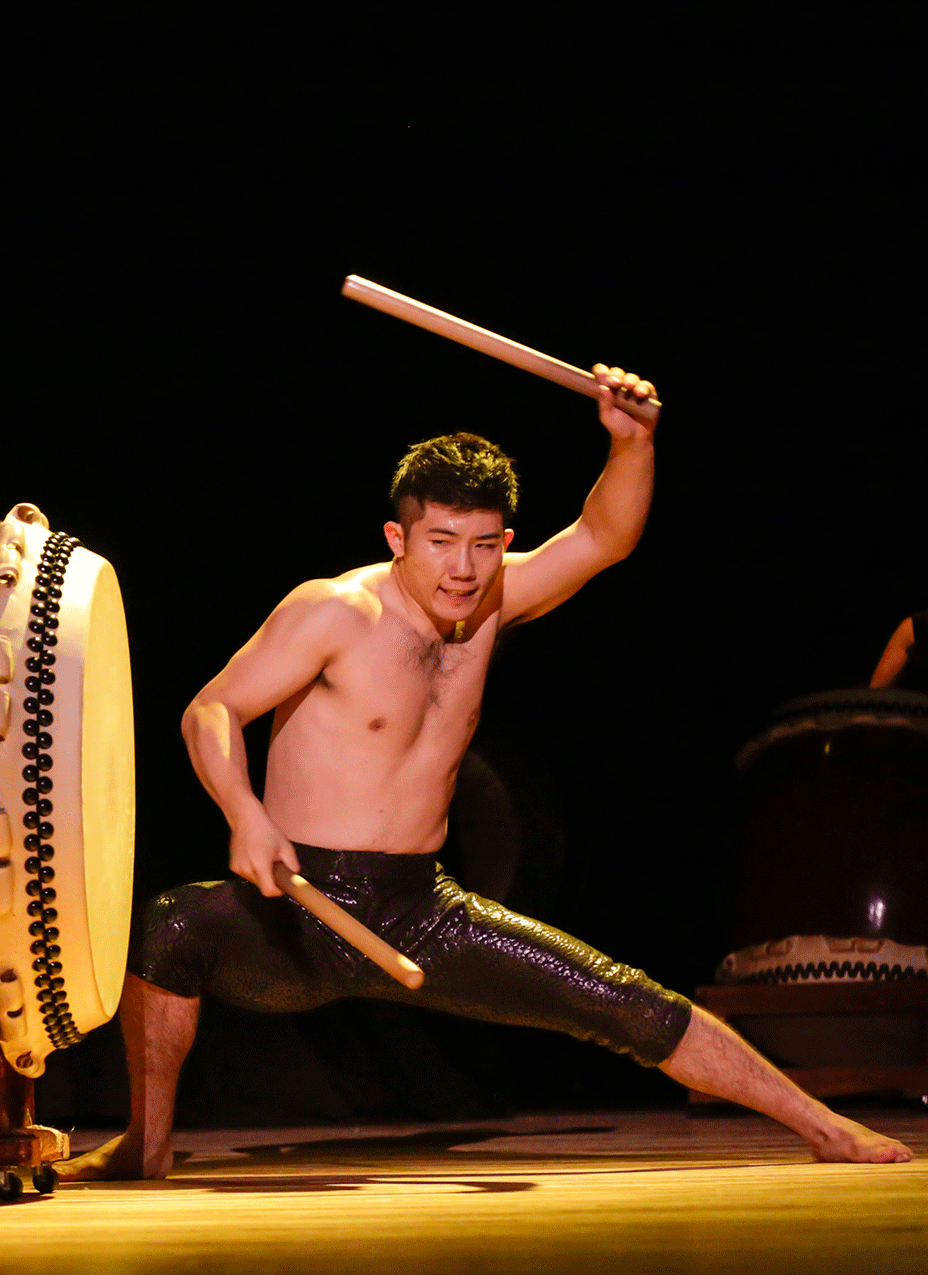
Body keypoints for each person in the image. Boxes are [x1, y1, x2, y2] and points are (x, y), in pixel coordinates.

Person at [61, 367, 913, 1180]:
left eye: (481, 545)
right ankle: (147, 1141)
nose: (462, 570)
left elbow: (603, 536)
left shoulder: (497, 596)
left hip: (417, 905)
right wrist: (245, 812)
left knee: (617, 995)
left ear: (503, 541)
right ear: (397, 536)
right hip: (300, 909)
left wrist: (630, 441)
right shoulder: (334, 611)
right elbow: (209, 709)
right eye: (439, 543)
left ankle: (822, 1125)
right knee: (170, 927)